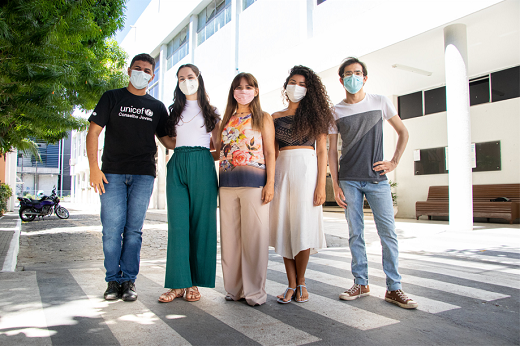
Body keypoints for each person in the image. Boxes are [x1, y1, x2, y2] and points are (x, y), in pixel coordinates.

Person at [328, 57, 417, 309]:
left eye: (357, 73)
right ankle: (361, 282)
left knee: (387, 232)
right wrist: (335, 184)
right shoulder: (335, 112)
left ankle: (394, 288)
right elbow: (333, 152)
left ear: (364, 78)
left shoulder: (380, 102)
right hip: (349, 181)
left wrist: (394, 162)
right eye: (348, 73)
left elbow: (403, 132)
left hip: (377, 180)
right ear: (341, 79)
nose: (353, 77)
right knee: (355, 233)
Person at [87, 53, 175, 301]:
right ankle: (112, 281)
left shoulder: (157, 107)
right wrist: (94, 168)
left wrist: (196, 138)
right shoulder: (112, 97)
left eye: (147, 70)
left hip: (143, 175)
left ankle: (128, 281)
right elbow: (93, 132)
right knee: (112, 230)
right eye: (137, 68)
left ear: (153, 76)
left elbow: (168, 140)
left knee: (134, 231)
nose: (142, 73)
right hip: (111, 174)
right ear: (128, 71)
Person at [270, 66, 334, 304]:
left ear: (310, 90)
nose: (297, 87)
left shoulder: (317, 116)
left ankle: (302, 281)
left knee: (303, 227)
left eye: (303, 84)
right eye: (293, 82)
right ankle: (291, 283)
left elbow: (322, 154)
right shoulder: (274, 117)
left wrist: (321, 186)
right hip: (282, 173)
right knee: (286, 228)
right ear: (286, 85)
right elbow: (271, 153)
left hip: (308, 173)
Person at [157, 64, 220, 303]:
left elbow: (220, 147)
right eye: (181, 78)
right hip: (178, 165)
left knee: (201, 226)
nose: (186, 81)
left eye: (190, 77)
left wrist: (201, 155)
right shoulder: (174, 111)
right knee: (178, 227)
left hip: (203, 166)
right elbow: (170, 142)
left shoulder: (212, 112)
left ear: (199, 79)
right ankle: (177, 284)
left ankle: (194, 283)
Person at [218, 72, 275, 306]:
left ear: (256, 90)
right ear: (233, 92)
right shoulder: (226, 120)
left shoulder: (264, 117)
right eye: (238, 87)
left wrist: (270, 183)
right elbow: (221, 151)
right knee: (230, 240)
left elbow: (271, 153)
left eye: (248, 87)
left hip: (255, 184)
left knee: (255, 240)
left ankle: (255, 293)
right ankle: (234, 290)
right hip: (227, 185)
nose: (243, 91)